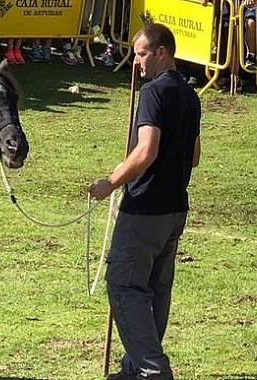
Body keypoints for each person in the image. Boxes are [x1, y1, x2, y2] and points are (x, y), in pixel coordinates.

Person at [88, 23, 201, 380]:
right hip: (174, 210)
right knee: (154, 291)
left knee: (123, 286)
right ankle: (132, 369)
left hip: (145, 209)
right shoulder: (188, 94)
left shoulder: (153, 92)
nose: (135, 62)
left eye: (141, 54)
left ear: (162, 52)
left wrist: (111, 182)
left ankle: (153, 371)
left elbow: (146, 150)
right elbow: (195, 155)